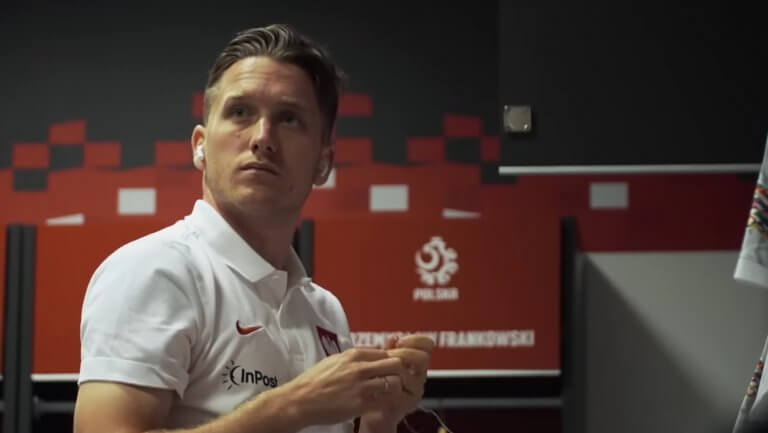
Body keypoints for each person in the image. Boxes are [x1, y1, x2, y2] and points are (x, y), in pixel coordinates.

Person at [73, 24, 434, 433]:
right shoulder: (154, 272)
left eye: (289, 119)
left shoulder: (325, 311)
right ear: (200, 145)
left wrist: (376, 422)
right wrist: (292, 407)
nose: (263, 138)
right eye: (240, 112)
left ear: (322, 163)